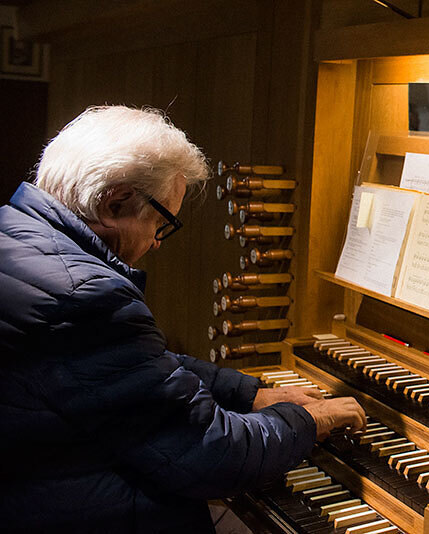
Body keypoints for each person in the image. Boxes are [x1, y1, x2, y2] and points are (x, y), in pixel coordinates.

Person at [0, 106, 366, 532]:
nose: (158, 242)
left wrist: (250, 394)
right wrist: (311, 420)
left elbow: (134, 366)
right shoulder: (86, 294)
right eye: (161, 222)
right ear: (113, 202)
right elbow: (210, 455)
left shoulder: (16, 235)